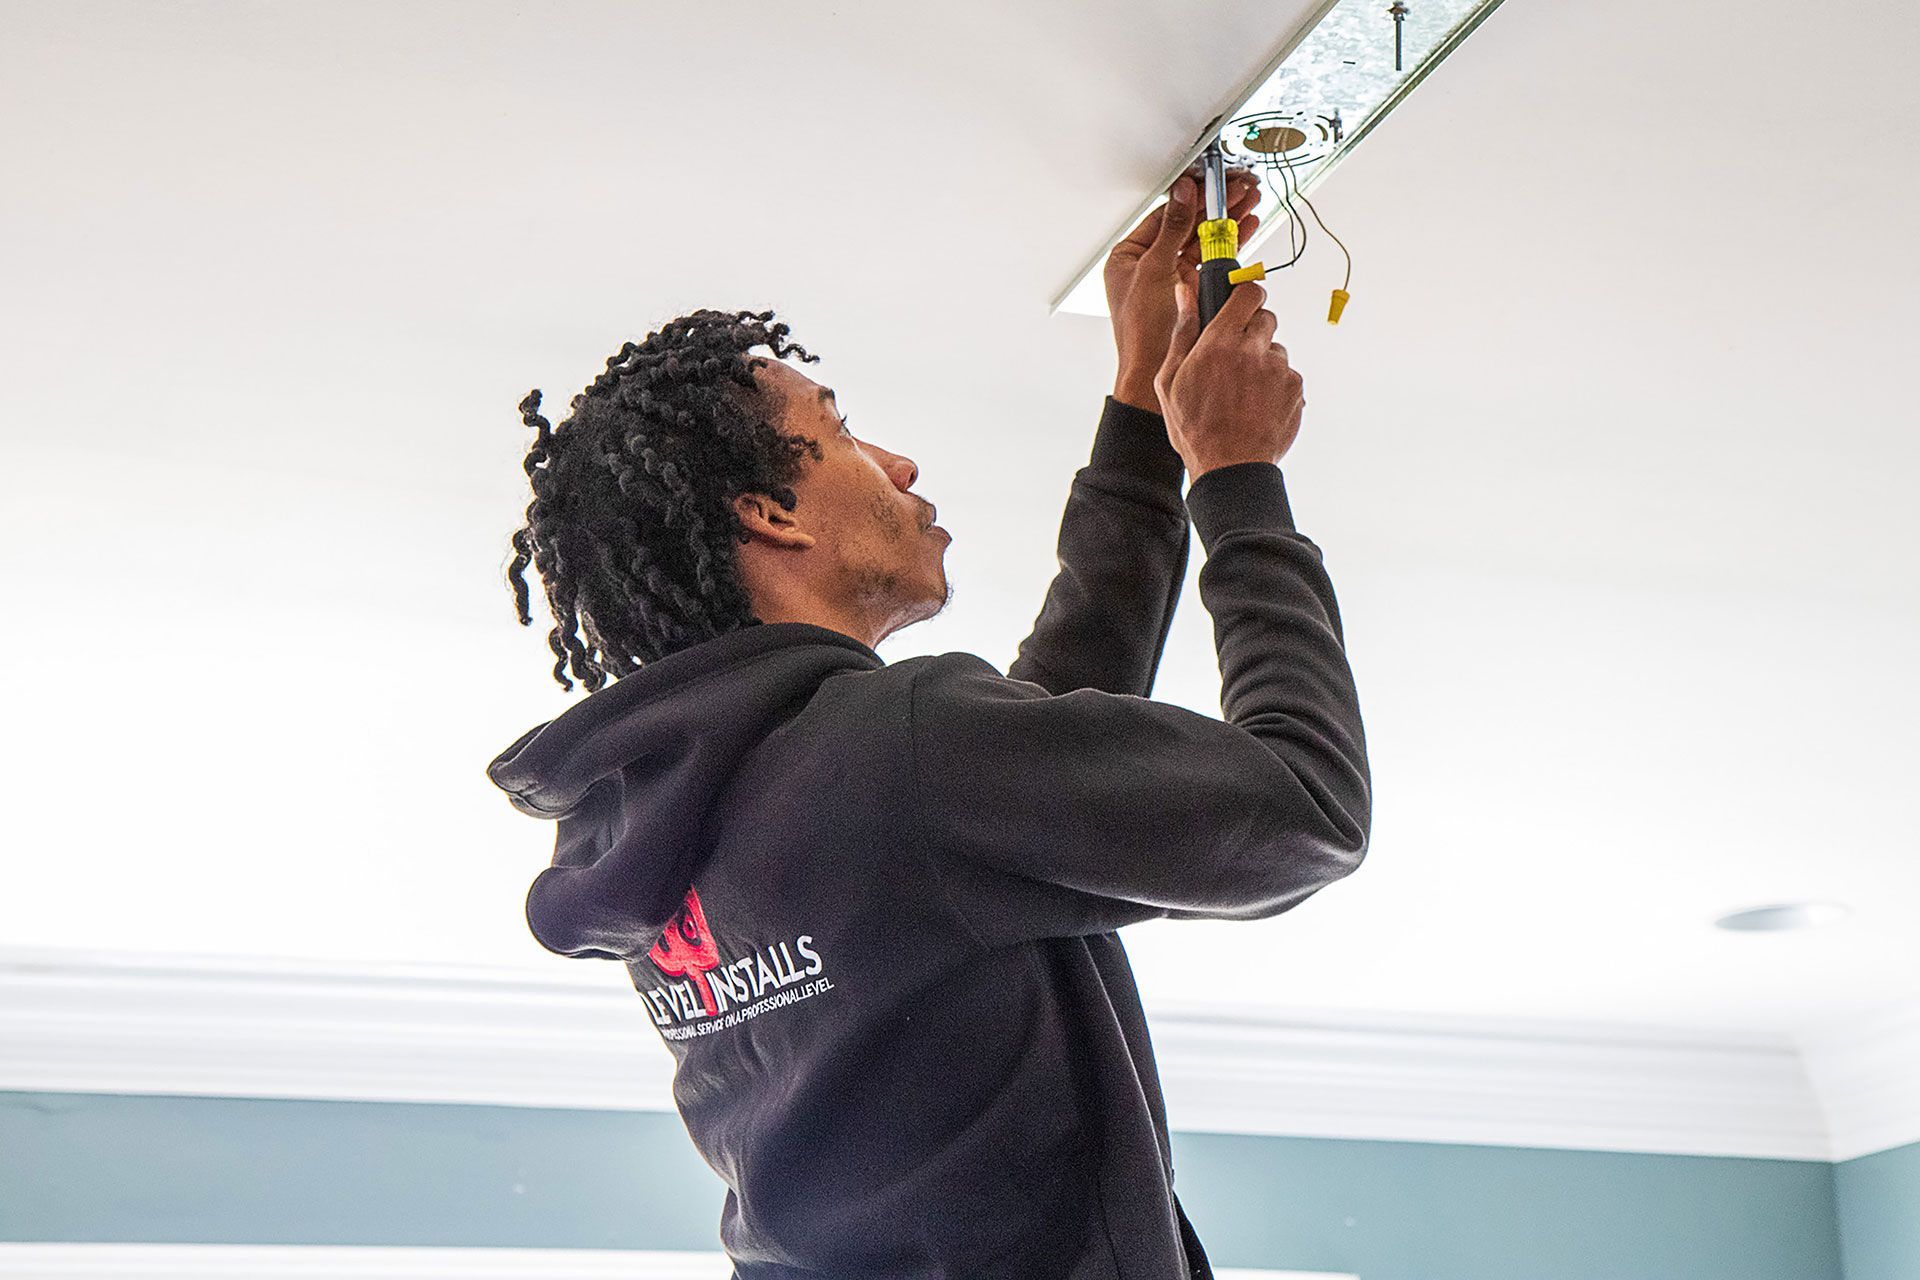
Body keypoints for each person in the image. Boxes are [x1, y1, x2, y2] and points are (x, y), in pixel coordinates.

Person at [487, 165, 1371, 1280]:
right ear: (768, 514)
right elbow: (1305, 810)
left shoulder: (678, 826)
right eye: (843, 430)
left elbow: (1031, 767)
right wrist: (1238, 480)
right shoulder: (886, 756)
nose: (899, 464)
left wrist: (1148, 410)